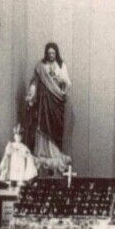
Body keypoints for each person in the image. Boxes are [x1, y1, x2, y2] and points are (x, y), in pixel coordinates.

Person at [24, 41, 71, 174]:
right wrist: (32, 94)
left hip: (55, 101)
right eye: (49, 53)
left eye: (53, 53)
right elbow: (34, 81)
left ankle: (54, 153)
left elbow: (67, 82)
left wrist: (61, 86)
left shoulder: (61, 65)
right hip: (43, 101)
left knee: (55, 127)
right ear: (46, 53)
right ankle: (42, 152)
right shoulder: (41, 66)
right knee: (42, 124)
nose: (51, 55)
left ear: (56, 53)